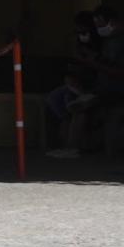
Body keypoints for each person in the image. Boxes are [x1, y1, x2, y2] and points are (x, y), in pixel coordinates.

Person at [45, 11, 101, 158]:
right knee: (54, 98)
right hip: (77, 82)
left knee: (72, 103)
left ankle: (72, 146)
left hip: (94, 84)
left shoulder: (101, 43)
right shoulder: (80, 43)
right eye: (78, 31)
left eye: (83, 30)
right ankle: (64, 143)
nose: (81, 34)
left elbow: (101, 67)